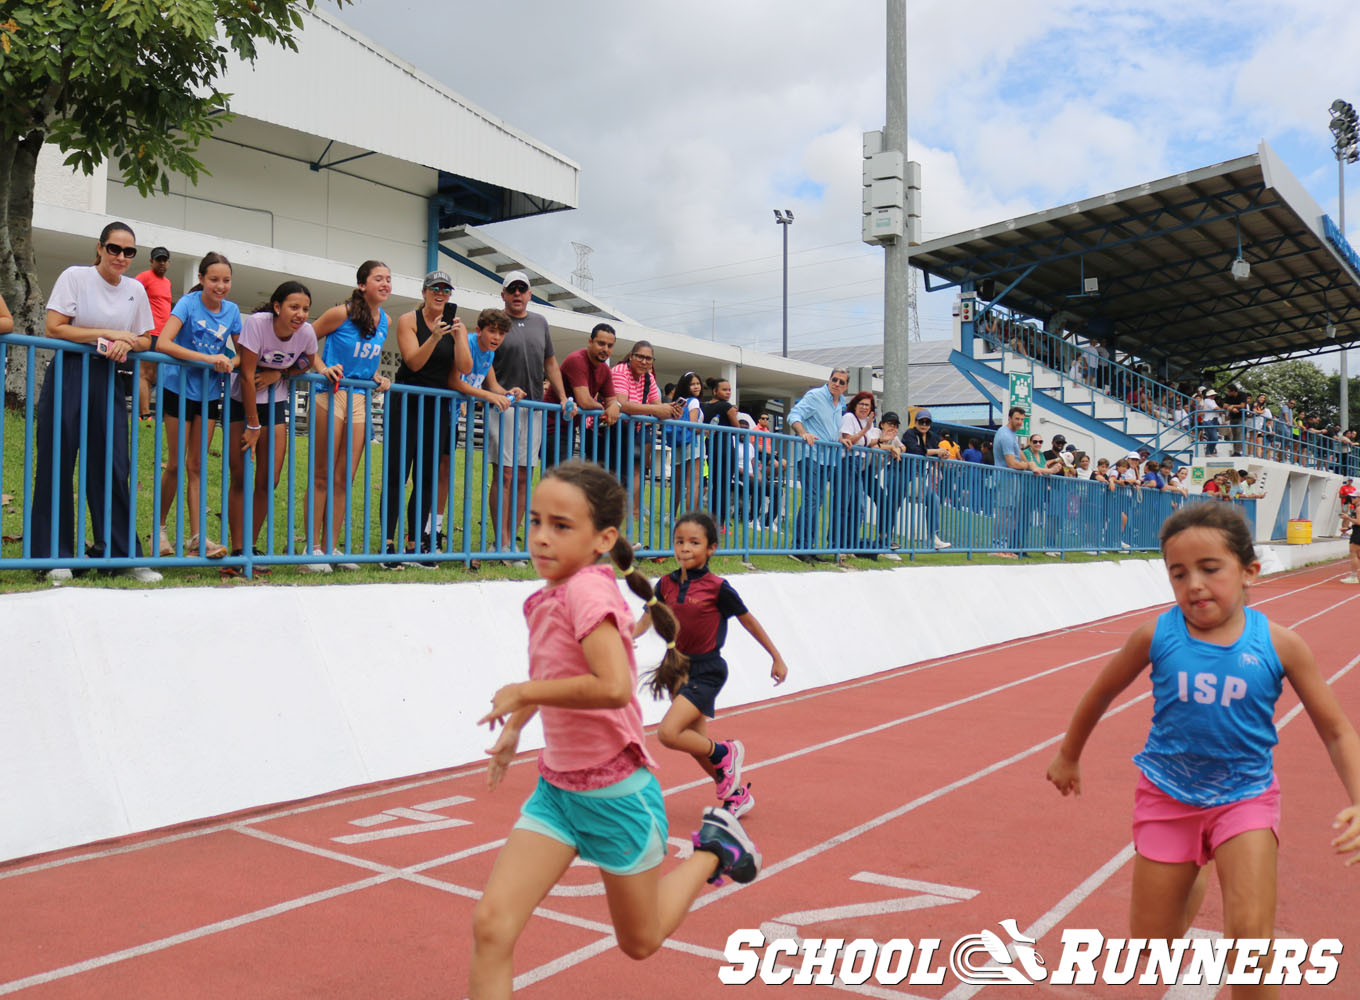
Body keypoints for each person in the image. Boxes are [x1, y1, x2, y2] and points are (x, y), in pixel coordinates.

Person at [469, 462, 761, 999]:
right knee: (492, 926)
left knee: (641, 941)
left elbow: (612, 686)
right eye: (535, 521)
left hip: (615, 794)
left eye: (561, 525)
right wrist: (516, 727)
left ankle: (715, 848)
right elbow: (556, 674)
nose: (540, 537)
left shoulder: (588, 594)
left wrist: (524, 694)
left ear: (604, 538)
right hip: (557, 792)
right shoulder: (550, 595)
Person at [1047, 503, 1360, 999]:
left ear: (1249, 571)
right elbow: (1101, 692)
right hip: (1169, 797)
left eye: (1210, 569)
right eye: (1178, 573)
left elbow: (1338, 731)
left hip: (1245, 797)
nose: (1194, 584)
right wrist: (1068, 754)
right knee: (1152, 948)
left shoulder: (1281, 645)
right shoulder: (1156, 636)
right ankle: (1195, 862)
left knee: (1251, 944)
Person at [635, 510, 787, 818]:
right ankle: (737, 795)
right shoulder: (664, 584)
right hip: (676, 669)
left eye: (694, 542)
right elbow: (649, 615)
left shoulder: (719, 588)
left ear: (711, 548)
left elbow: (749, 622)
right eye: (679, 542)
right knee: (695, 743)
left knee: (669, 733)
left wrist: (776, 656)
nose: (685, 548)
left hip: (707, 671)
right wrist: (625, 637)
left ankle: (726, 751)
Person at [32, 221, 161, 583]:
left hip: (107, 377)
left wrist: (127, 342)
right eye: (114, 249)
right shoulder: (75, 276)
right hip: (70, 372)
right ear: (100, 248)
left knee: (113, 465)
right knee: (57, 461)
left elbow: (146, 338)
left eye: (129, 251)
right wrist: (108, 334)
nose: (121, 257)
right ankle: (53, 556)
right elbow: (55, 327)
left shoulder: (136, 289)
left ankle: (121, 554)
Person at [306, 260, 393, 571]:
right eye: (378, 279)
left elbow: (366, 359)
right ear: (362, 285)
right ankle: (312, 549)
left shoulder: (385, 320)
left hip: (360, 398)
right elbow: (306, 340)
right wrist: (321, 368)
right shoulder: (340, 312)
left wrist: (379, 377)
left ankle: (332, 548)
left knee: (345, 476)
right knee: (322, 474)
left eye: (388, 279)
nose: (385, 284)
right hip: (330, 395)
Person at [224, 281, 318, 568]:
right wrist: (253, 426)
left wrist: (280, 375)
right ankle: (238, 549)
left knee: (269, 479)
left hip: (275, 403)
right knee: (240, 476)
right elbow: (247, 375)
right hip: (243, 401)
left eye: (305, 309)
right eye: (293, 307)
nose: (300, 314)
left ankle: (251, 547)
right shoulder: (257, 324)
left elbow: (308, 361)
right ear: (277, 307)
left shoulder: (307, 332)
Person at [154, 251, 241, 560]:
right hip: (178, 387)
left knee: (196, 465)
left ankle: (197, 537)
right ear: (201, 279)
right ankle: (160, 531)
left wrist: (231, 361)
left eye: (226, 280)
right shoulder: (188, 304)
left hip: (208, 394)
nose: (220, 286)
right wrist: (209, 359)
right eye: (214, 279)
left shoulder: (232, 311)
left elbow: (244, 353)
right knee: (176, 463)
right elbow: (163, 343)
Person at [380, 270, 465, 566]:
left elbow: (464, 366)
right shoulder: (408, 320)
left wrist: (458, 335)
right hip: (406, 402)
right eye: (435, 288)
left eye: (446, 289)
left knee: (427, 478)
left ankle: (415, 543)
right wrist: (436, 336)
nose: (441, 293)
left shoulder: (455, 326)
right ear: (424, 292)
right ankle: (387, 545)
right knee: (397, 474)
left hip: (437, 405)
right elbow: (413, 362)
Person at [487, 270, 574, 554]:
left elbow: (550, 362)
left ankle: (512, 540)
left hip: (534, 407)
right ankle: (500, 541)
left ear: (529, 294)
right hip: (504, 407)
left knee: (524, 474)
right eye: (511, 289)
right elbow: (484, 360)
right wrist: (499, 391)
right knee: (505, 474)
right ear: (503, 294)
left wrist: (562, 396)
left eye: (521, 289)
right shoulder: (496, 323)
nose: (517, 294)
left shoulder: (540, 322)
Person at [610, 341, 681, 530]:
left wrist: (671, 411)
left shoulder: (648, 377)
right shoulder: (619, 371)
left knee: (634, 472)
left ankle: (631, 512)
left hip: (632, 429)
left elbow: (657, 406)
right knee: (610, 475)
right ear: (631, 356)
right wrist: (657, 410)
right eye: (640, 356)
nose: (644, 361)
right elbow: (621, 405)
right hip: (607, 428)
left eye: (648, 358)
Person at [788, 368, 848, 563]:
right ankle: (799, 547)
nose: (837, 384)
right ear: (829, 380)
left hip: (829, 458)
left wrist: (841, 439)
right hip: (810, 454)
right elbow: (794, 415)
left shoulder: (842, 403)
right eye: (834, 379)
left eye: (841, 382)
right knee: (811, 499)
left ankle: (809, 548)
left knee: (818, 501)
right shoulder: (815, 395)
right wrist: (803, 432)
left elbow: (831, 428)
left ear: (845, 386)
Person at [544, 323, 619, 468]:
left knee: (561, 477)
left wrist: (614, 406)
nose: (605, 349)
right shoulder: (577, 360)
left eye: (610, 346)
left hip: (569, 426)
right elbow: (584, 401)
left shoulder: (604, 369)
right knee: (558, 478)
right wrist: (605, 408)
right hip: (551, 426)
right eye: (601, 343)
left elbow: (613, 401)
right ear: (590, 342)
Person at [900, 407, 952, 550]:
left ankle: (933, 536)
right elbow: (916, 450)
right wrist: (936, 451)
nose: (924, 425)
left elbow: (934, 453)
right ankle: (885, 539)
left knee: (934, 499)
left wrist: (943, 454)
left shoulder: (932, 437)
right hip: (903, 476)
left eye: (927, 422)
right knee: (893, 505)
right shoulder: (909, 433)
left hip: (920, 478)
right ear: (915, 422)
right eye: (921, 421)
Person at [133, 246, 173, 421]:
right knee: (145, 373)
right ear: (151, 261)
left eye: (165, 260)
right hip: (149, 331)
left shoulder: (167, 282)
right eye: (159, 260)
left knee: (155, 375)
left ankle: (146, 412)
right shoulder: (144, 277)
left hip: (164, 334)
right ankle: (144, 414)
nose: (162, 263)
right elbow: (131, 297)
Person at [667, 372, 705, 513]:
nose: (696, 387)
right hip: (693, 443)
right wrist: (704, 431)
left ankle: (671, 514)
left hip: (678, 444)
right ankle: (690, 516)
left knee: (677, 483)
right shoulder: (693, 402)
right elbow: (693, 426)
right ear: (686, 386)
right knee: (693, 482)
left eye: (698, 383)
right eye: (692, 384)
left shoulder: (678, 402)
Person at [1340, 501, 1358, 584]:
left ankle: (1354, 577)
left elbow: (1358, 522)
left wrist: (1348, 518)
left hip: (1358, 533)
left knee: (1354, 553)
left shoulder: (1358, 508)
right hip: (1356, 531)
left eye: (1354, 497)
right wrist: (1348, 528)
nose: (1352, 499)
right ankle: (1354, 576)